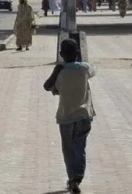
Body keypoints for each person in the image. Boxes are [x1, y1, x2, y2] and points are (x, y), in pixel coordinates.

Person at [43, 39, 96, 194]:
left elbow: (47, 86)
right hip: (84, 115)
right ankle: (77, 179)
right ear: (78, 53)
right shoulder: (85, 69)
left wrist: (56, 70)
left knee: (68, 149)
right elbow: (93, 70)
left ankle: (72, 178)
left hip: (65, 117)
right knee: (80, 147)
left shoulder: (60, 73)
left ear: (61, 55)